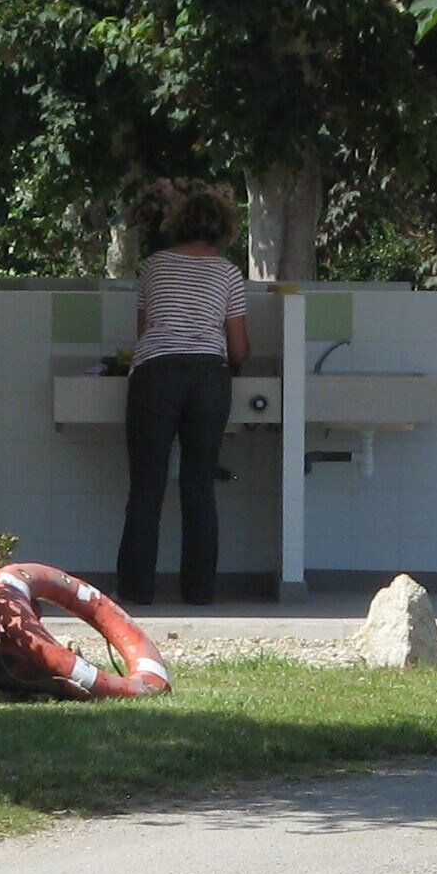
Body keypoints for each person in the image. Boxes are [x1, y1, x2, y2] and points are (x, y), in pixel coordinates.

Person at [115, 187, 249, 606]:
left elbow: (144, 331)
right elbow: (239, 348)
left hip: (156, 373)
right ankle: (199, 591)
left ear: (178, 224)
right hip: (209, 377)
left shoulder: (154, 266)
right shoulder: (228, 274)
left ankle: (137, 592)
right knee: (199, 486)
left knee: (146, 486)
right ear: (223, 228)